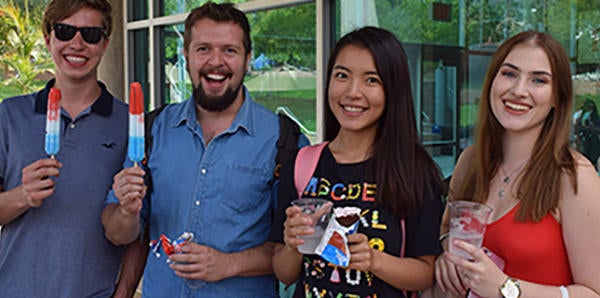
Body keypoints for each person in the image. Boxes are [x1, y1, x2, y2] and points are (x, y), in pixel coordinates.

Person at [102, 3, 307, 297]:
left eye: (229, 50)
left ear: (248, 58)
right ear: (186, 56)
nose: (216, 62)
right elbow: (117, 233)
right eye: (203, 49)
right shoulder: (153, 130)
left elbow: (290, 252)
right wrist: (126, 211)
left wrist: (228, 264)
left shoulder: (283, 141)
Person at [271, 26, 444, 298]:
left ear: (392, 90)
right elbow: (284, 273)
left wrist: (375, 260)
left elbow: (425, 273)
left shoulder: (414, 171)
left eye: (371, 80)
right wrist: (293, 244)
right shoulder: (300, 164)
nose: (353, 92)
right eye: (342, 75)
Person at [434, 31, 600, 298]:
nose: (519, 90)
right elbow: (447, 230)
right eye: (509, 74)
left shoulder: (574, 176)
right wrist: (446, 254)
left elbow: (594, 293)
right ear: (492, 82)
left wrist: (507, 289)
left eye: (538, 80)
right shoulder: (469, 162)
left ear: (557, 97)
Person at [0, 0, 129, 297]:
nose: (78, 43)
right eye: (65, 31)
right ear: (48, 39)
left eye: (91, 34)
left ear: (105, 43)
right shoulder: (9, 115)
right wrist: (22, 195)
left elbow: (135, 227)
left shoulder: (128, 123)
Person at [573, 99, 600, 170]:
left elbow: (597, 128)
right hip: (583, 144)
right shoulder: (580, 116)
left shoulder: (596, 118)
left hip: (594, 144)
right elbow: (576, 129)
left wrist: (590, 128)